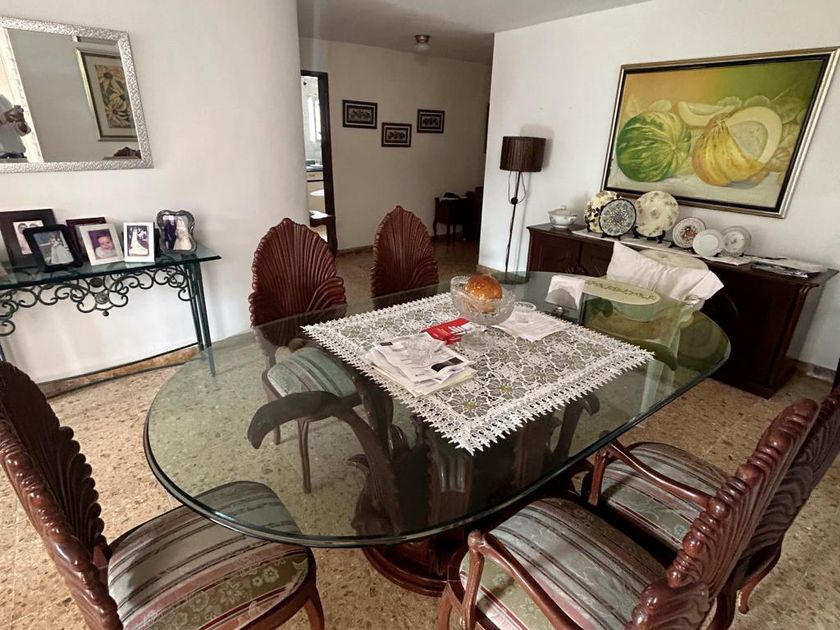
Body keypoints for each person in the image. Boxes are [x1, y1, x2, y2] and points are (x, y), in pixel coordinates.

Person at [0, 93, 30, 160]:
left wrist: (20, 121)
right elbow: (5, 117)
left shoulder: (2, 99)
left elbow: (23, 132)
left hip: (20, 156)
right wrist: (4, 117)